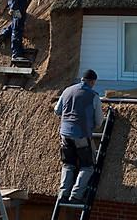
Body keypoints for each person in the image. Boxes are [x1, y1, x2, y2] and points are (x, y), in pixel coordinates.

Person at [54, 69, 104, 204]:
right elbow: (99, 121)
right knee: (87, 166)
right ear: (92, 81)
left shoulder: (67, 91)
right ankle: (76, 195)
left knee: (68, 164)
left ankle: (63, 193)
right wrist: (91, 125)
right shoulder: (93, 96)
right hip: (81, 134)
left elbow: (57, 110)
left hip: (64, 134)